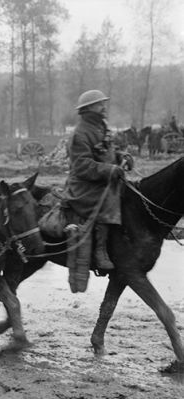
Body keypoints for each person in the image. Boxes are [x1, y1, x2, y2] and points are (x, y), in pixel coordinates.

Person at [65, 89, 125, 271]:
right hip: (85, 185)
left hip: (105, 180)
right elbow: (81, 165)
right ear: (89, 108)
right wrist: (109, 169)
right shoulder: (80, 133)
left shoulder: (101, 127)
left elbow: (107, 152)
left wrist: (122, 157)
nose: (103, 107)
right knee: (108, 201)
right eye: (100, 104)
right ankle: (100, 251)